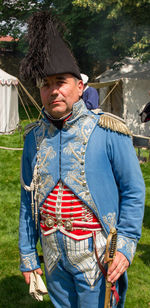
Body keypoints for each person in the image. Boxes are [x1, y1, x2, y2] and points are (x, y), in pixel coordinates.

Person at [19, 11, 145, 308]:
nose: (53, 91)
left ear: (80, 86)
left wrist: (126, 245)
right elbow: (28, 199)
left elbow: (133, 191)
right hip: (51, 253)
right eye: (45, 84)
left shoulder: (109, 131)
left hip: (97, 254)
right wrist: (27, 255)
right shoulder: (32, 138)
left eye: (60, 82)